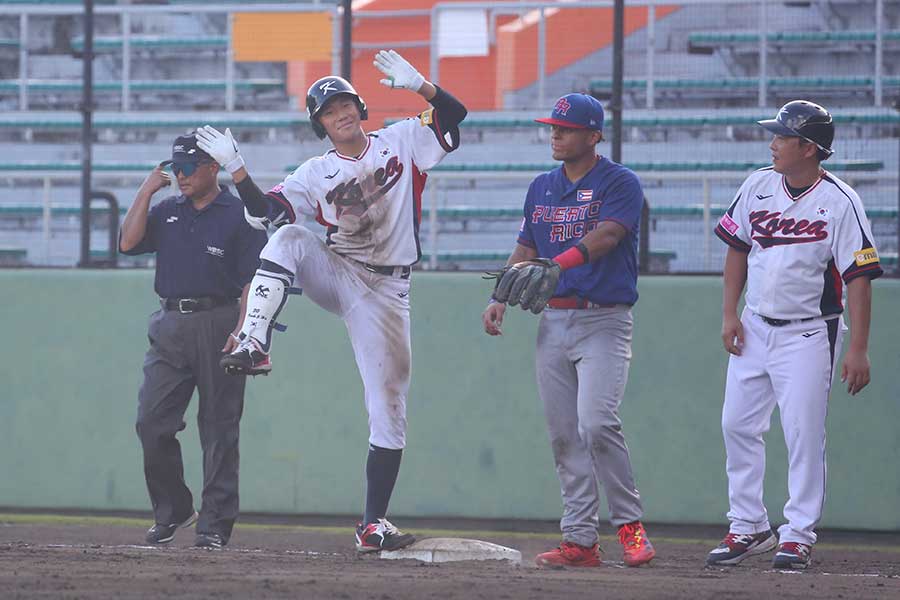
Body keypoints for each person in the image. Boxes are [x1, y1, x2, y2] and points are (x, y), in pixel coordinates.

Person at [193, 50, 467, 552]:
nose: (338, 113)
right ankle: (254, 339)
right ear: (319, 124)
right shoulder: (315, 171)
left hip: (387, 289)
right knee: (290, 237)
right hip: (340, 271)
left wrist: (422, 86)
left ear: (359, 106)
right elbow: (267, 213)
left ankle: (372, 524)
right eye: (327, 110)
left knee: (388, 404)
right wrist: (236, 169)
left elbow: (455, 118)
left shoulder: (401, 139)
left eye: (343, 103)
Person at [707, 100, 883, 570]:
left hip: (809, 334)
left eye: (782, 136)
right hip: (755, 326)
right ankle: (748, 525)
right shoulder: (758, 184)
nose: (773, 143)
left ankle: (798, 533)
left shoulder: (841, 201)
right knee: (736, 424)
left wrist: (859, 348)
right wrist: (729, 313)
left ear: (809, 147)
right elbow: (737, 251)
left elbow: (859, 278)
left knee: (803, 434)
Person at [482, 93, 656, 568]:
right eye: (552, 127)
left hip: (604, 319)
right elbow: (524, 246)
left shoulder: (619, 181)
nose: (555, 134)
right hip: (553, 321)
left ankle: (630, 526)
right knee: (564, 434)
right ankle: (580, 539)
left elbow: (607, 236)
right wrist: (499, 296)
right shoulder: (541, 187)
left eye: (565, 128)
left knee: (597, 422)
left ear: (593, 135)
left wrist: (555, 264)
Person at [119, 133, 267, 549]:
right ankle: (175, 510)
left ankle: (215, 525)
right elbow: (128, 243)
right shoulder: (166, 210)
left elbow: (251, 281)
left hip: (220, 321)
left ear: (212, 168)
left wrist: (244, 331)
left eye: (187, 168)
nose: (179, 175)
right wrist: (147, 189)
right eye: (175, 167)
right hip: (169, 323)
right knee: (152, 422)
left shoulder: (239, 215)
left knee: (219, 428)